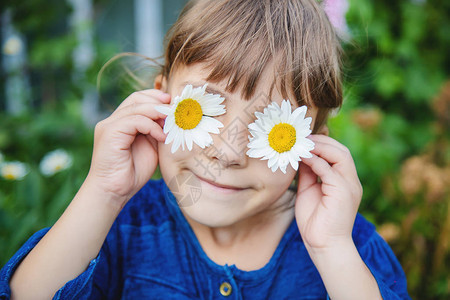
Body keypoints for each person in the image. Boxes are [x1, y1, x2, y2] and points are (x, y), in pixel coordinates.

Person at [0, 0, 410, 299]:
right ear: (161, 99)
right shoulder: (122, 228)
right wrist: (104, 192)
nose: (227, 154)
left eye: (269, 130)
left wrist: (331, 250)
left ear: (312, 140)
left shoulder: (347, 247)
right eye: (201, 111)